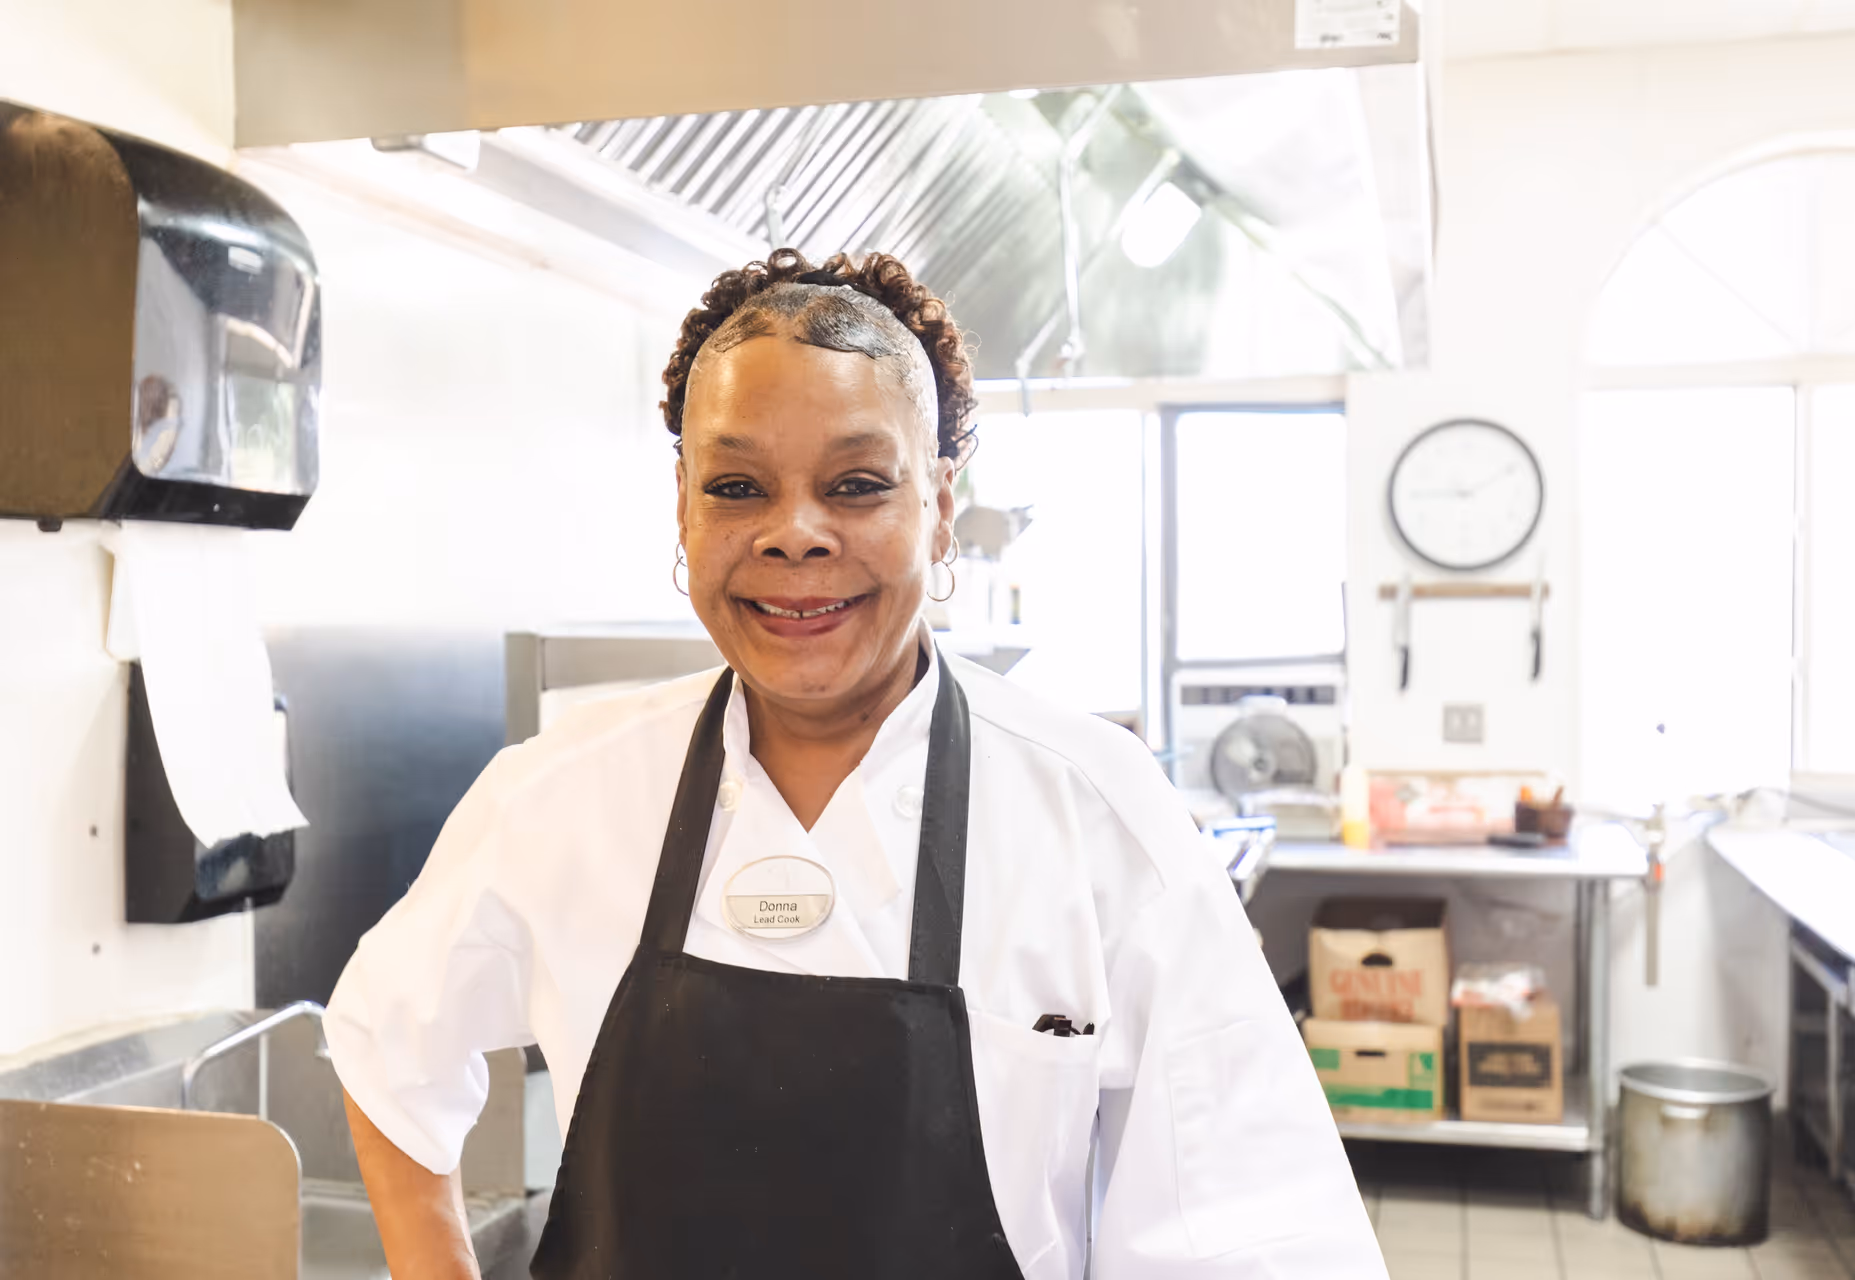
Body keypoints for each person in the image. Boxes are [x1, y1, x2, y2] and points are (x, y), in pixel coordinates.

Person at [325, 249, 1387, 1279]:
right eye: (738, 485)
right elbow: (385, 1044)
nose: (795, 532)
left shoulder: (1098, 815)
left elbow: (1249, 1233)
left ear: (938, 506)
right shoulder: (560, 794)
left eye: (857, 483)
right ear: (684, 508)